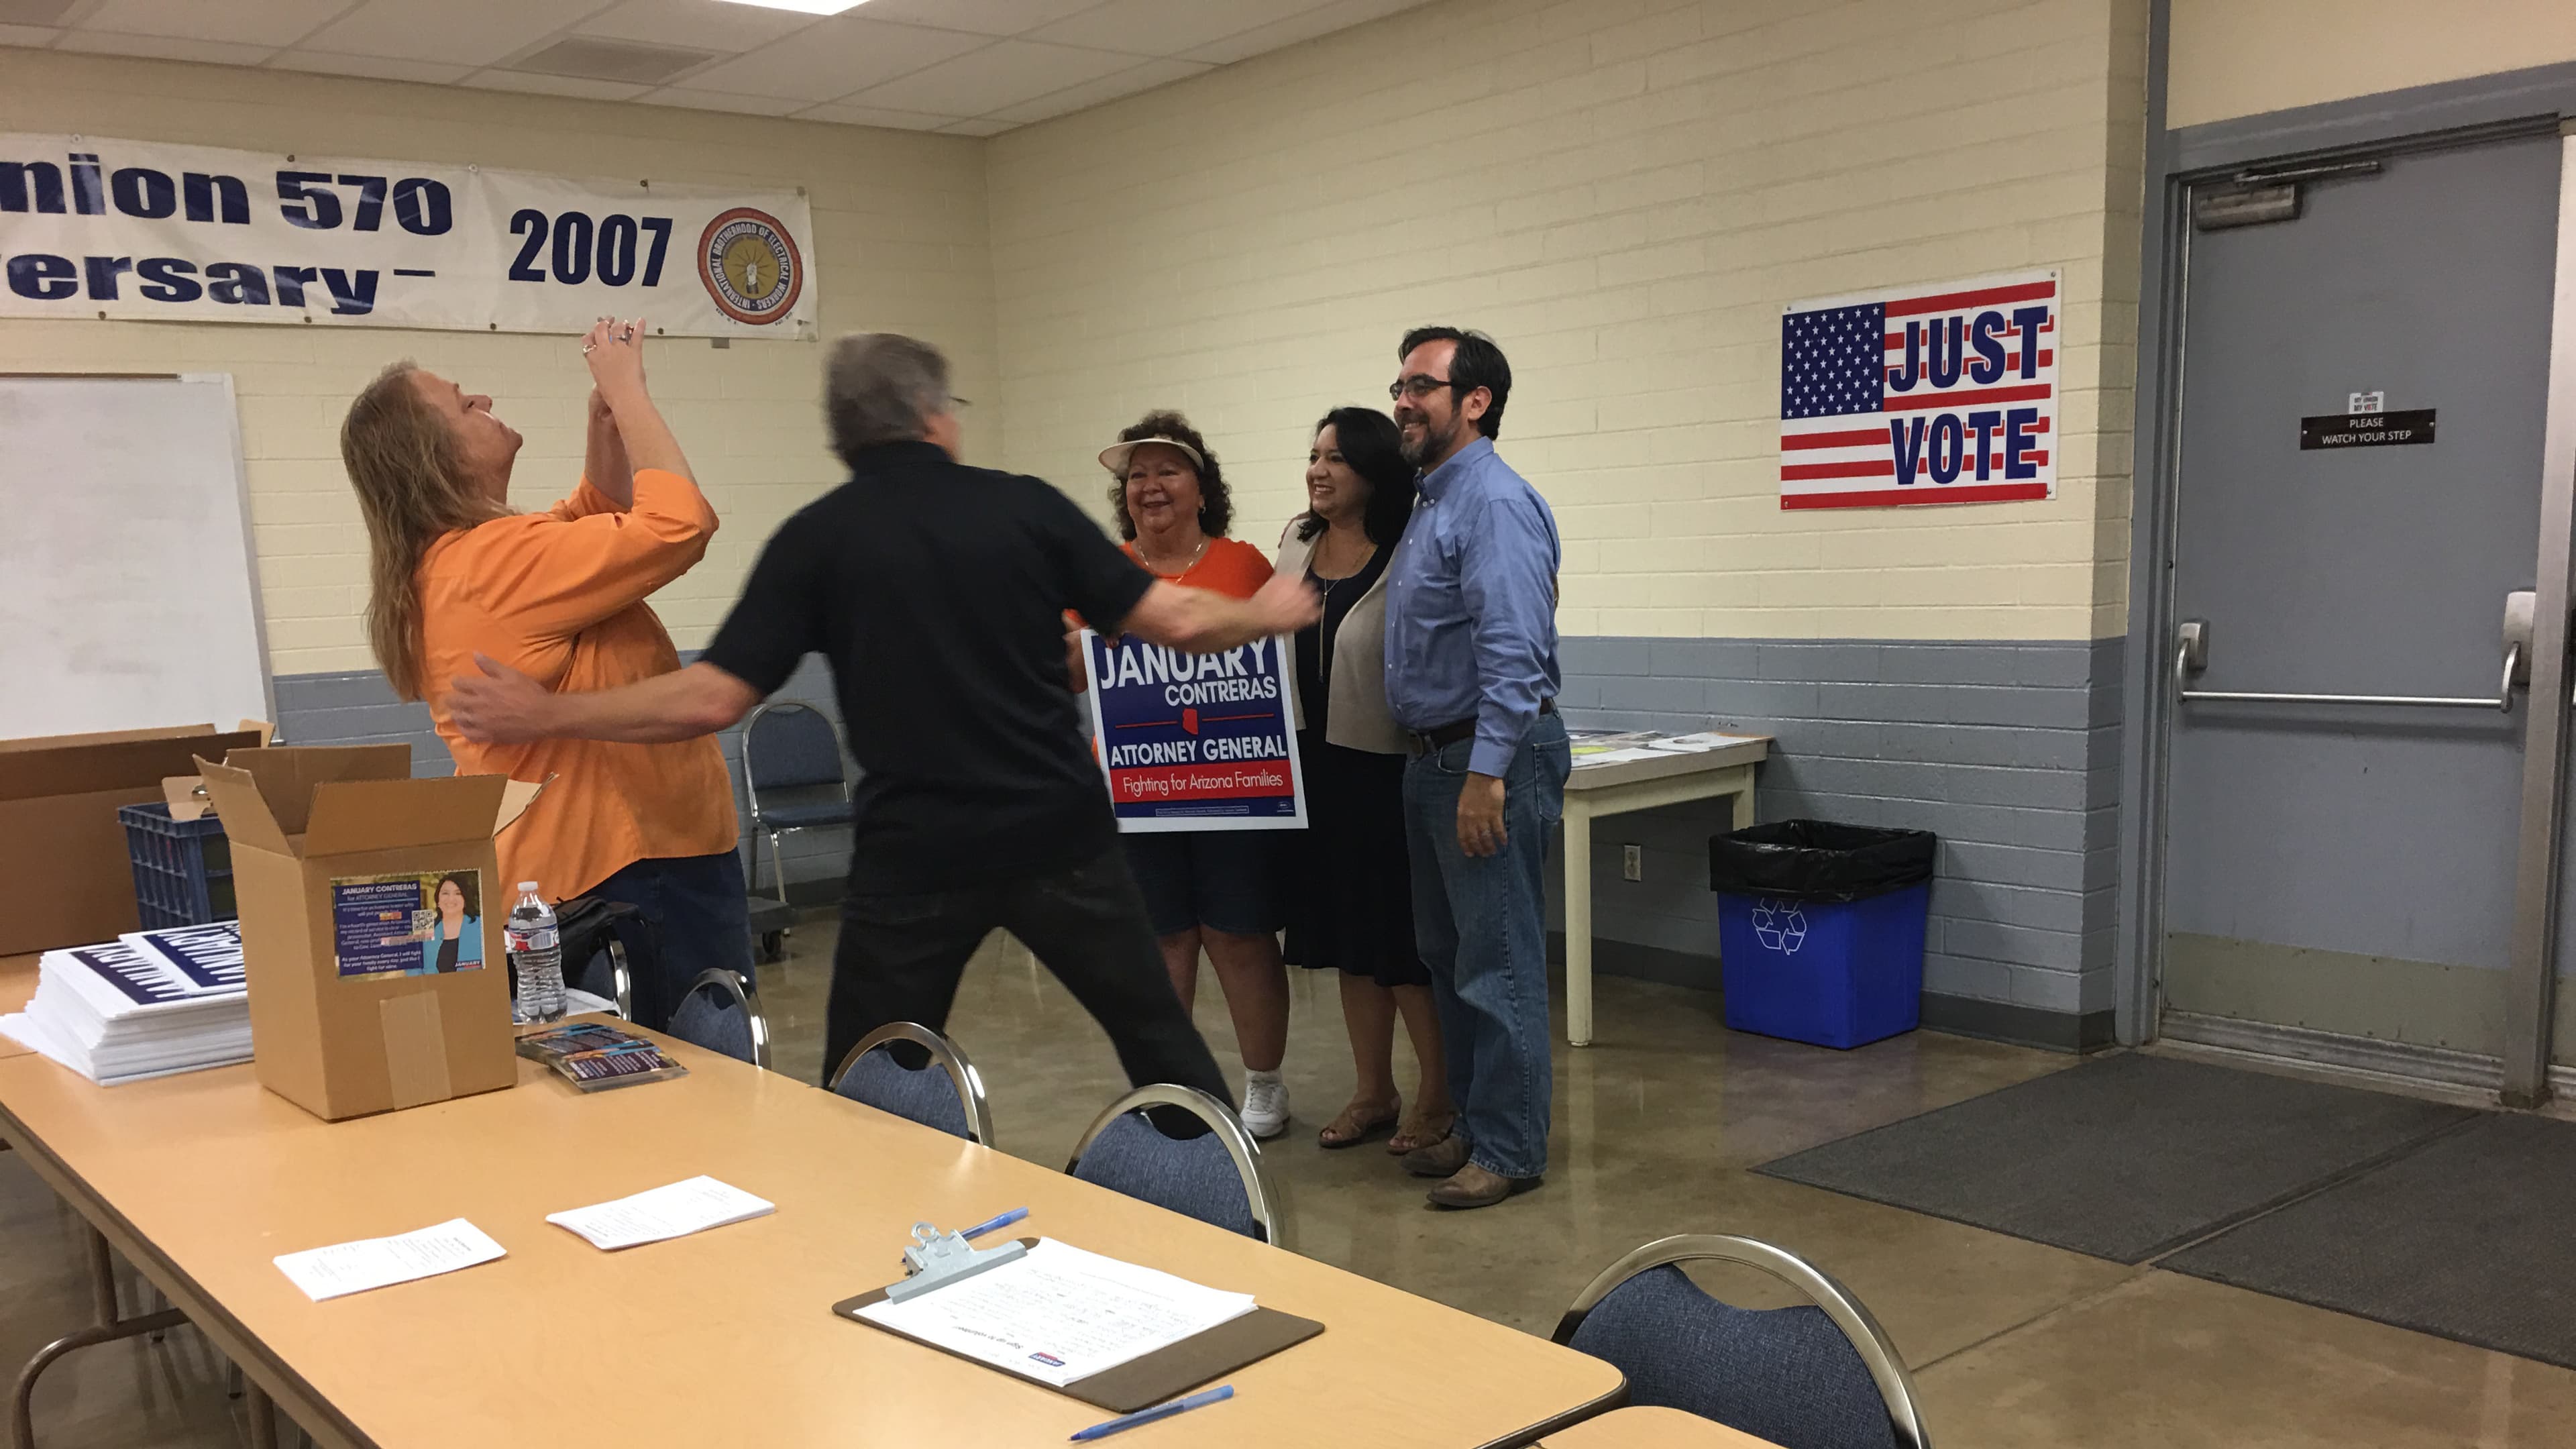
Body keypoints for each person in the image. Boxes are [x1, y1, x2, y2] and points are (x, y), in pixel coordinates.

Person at [446, 333, 1321, 1108]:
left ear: (845, 434)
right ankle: (1226, 1210)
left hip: (917, 856)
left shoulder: (818, 538)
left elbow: (711, 697)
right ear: (932, 414)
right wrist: (1270, 612)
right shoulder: (1026, 506)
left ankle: (875, 1235)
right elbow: (1172, 619)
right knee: (1158, 1041)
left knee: (869, 1074)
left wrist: (550, 710)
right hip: (1061, 838)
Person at [339, 317, 749, 1029]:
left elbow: (578, 525)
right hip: (633, 871)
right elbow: (680, 524)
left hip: (570, 875)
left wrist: (608, 434)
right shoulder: (495, 562)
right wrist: (629, 391)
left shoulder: (458, 562)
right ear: (435, 456)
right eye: (464, 404)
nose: (484, 399)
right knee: (696, 1084)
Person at [1381, 326, 1569, 1210]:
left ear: (1476, 401)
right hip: (1437, 757)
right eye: (1400, 385)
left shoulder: (1491, 500)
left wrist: (1486, 772)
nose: (1403, 401)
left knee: (1497, 963)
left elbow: (1514, 647)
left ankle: (1511, 1146)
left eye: (1422, 385)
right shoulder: (1433, 500)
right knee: (1451, 957)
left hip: (1484, 758)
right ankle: (1474, 1122)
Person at [1090, 411, 1294, 1139]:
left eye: (1167, 471)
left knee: (1238, 936)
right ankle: (1168, 1085)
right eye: (1137, 474)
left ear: (1200, 488)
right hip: (1136, 792)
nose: (1151, 486)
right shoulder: (1099, 572)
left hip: (1235, 789)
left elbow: (1280, 655)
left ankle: (1264, 1086)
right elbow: (1066, 673)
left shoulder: (1243, 566)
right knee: (1161, 939)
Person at [1275, 407, 1454, 1155]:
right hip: (1311, 766)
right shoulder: (1296, 543)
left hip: (1385, 766)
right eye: (1313, 455)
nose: (1318, 470)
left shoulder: (1410, 546)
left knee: (1401, 947)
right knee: (1349, 940)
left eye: (1336, 459)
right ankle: (1373, 1091)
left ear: (1374, 471)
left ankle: (1439, 1097)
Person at [418, 873, 484, 975]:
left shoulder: (481, 926)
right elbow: (414, 967)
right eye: (445, 893)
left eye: (458, 893)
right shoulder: (425, 931)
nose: (451, 899)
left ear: (465, 899)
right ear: (438, 900)